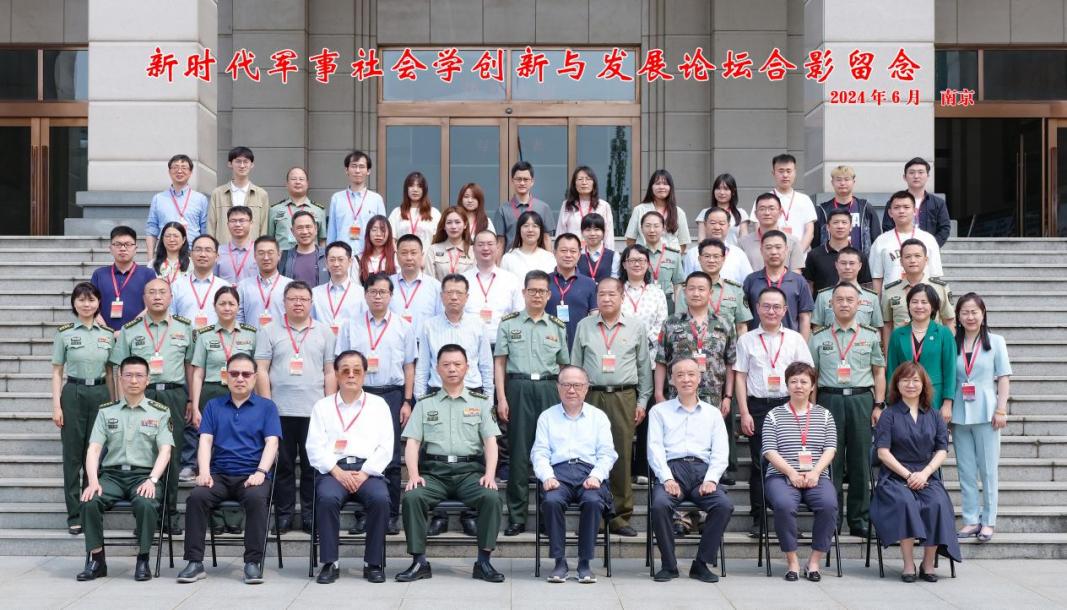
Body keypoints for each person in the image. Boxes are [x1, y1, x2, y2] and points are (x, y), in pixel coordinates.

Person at [397, 344, 505, 583]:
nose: (452, 369)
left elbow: (490, 441)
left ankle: (484, 562)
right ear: (437, 369)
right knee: (413, 497)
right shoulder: (425, 403)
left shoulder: (481, 403)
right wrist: (413, 475)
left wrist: (490, 474)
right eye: (446, 365)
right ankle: (419, 562)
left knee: (491, 497)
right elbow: (413, 442)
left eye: (457, 364)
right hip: (435, 473)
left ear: (467, 367)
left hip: (469, 473)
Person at [176, 353, 281, 585]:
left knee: (256, 499)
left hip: (252, 475)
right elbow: (205, 440)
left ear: (254, 377)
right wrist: (204, 472)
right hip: (219, 475)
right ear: (226, 377)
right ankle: (194, 562)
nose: (240, 378)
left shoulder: (267, 407)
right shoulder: (214, 405)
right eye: (234, 374)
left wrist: (261, 472)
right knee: (196, 497)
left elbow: (272, 442)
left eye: (246, 374)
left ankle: (252, 562)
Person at [76, 356, 173, 582]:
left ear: (148, 380)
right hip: (112, 476)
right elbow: (93, 449)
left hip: (143, 475)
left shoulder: (159, 412)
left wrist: (152, 480)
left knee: (146, 503)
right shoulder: (106, 412)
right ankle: (97, 560)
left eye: (139, 375)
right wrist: (93, 481)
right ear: (120, 379)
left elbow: (165, 451)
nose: (133, 380)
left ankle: (143, 559)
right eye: (128, 375)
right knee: (90, 501)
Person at [335, 273, 417, 535]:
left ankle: (391, 515)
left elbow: (409, 367)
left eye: (383, 292)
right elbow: (340, 364)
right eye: (373, 292)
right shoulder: (350, 326)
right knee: (360, 455)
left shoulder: (403, 326)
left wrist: (407, 400)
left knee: (390, 457)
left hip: (391, 394)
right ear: (366, 295)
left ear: (391, 295)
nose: (378, 296)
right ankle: (364, 514)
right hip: (359, 394)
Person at [109, 278, 193, 533]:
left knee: (172, 456)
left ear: (170, 297)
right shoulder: (130, 330)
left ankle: (169, 514)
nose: (157, 296)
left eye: (162, 292)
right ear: (144, 298)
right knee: (143, 454)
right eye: (152, 292)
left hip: (173, 395)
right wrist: (119, 402)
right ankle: (145, 516)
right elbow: (118, 368)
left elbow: (190, 366)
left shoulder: (184, 327)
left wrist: (191, 399)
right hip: (140, 396)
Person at [571, 277, 652, 537]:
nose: (606, 299)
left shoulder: (635, 327)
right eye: (601, 294)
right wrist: (575, 399)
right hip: (590, 396)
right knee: (590, 454)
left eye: (611, 294)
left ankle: (619, 516)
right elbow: (576, 364)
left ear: (622, 297)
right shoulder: (584, 326)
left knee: (621, 455)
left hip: (623, 396)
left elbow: (644, 367)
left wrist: (642, 401)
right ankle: (594, 514)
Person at [254, 281, 337, 533]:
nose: (298, 303)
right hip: (280, 411)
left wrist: (330, 407)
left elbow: (330, 371)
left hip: (315, 411)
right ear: (284, 302)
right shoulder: (268, 330)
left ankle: (310, 516)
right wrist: (267, 407)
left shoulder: (325, 332)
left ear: (311, 303)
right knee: (283, 466)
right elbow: (261, 370)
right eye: (293, 299)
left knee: (313, 467)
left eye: (303, 299)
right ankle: (284, 516)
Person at [307, 351, 393, 584]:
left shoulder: (379, 405)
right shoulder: (323, 406)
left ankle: (372, 563)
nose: (351, 375)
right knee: (326, 498)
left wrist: (365, 473)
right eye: (345, 370)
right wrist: (337, 472)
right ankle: (330, 563)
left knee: (380, 500)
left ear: (364, 374)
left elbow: (386, 446)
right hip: (334, 471)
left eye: (357, 370)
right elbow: (314, 446)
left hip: (368, 471)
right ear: (336, 374)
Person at [494, 270, 570, 536]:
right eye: (532, 290)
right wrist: (501, 397)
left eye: (542, 291)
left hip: (549, 389)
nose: (537, 295)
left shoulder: (557, 326)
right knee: (518, 452)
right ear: (524, 293)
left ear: (549, 295)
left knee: (550, 451)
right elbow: (500, 363)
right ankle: (517, 516)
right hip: (518, 387)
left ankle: (548, 514)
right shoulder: (508, 323)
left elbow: (564, 366)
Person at [808, 282, 887, 537]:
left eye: (849, 300)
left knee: (860, 460)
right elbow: (813, 376)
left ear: (858, 304)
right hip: (828, 400)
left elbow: (879, 372)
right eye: (839, 299)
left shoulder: (870, 336)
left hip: (860, 399)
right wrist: (812, 409)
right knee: (830, 461)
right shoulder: (818, 337)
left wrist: (878, 404)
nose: (844, 304)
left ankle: (859, 519)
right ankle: (830, 518)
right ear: (830, 304)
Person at [870, 362, 962, 581]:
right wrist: (908, 475)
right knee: (905, 502)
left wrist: (925, 473)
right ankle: (908, 563)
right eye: (905, 380)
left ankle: (928, 564)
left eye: (915, 380)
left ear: (924, 384)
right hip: (895, 476)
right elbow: (882, 453)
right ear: (897, 384)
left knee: (937, 503)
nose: (910, 385)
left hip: (926, 475)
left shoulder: (934, 415)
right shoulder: (888, 415)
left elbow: (942, 450)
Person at [734, 287, 813, 537]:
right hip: (758, 406)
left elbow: (808, 376)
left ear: (785, 310)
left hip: (789, 405)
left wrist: (807, 410)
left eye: (777, 307)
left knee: (789, 461)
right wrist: (744, 412)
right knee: (761, 463)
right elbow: (740, 377)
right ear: (757, 308)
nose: (771, 311)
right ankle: (760, 520)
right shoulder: (746, 340)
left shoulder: (795, 339)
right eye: (766, 306)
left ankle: (787, 520)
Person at [647, 357, 734, 583]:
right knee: (660, 505)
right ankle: (669, 565)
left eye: (691, 374)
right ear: (672, 380)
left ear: (699, 378)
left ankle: (701, 564)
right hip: (672, 470)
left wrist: (712, 479)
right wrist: (666, 478)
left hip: (701, 472)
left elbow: (721, 452)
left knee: (723, 505)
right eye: (680, 375)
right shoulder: (659, 411)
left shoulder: (712, 413)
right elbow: (654, 449)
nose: (686, 379)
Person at [531, 365, 617, 584]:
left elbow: (607, 453)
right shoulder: (547, 417)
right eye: (566, 385)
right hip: (558, 473)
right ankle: (559, 562)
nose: (571, 390)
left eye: (577, 385)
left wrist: (597, 476)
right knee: (551, 501)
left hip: (589, 472)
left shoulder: (598, 417)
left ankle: (584, 563)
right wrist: (547, 476)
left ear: (586, 388)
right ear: (558, 387)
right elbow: (539, 452)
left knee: (593, 502)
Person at [761, 361, 838, 582]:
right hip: (781, 476)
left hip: (816, 475)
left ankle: (814, 562)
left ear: (812, 386)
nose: (798, 386)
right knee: (784, 505)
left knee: (829, 505)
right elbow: (769, 450)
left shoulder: (824, 415)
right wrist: (791, 473)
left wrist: (815, 472)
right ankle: (792, 561)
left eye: (804, 381)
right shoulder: (774, 415)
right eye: (793, 381)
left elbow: (830, 448)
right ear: (787, 385)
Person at [52, 282, 116, 536]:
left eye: (91, 300)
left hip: (100, 393)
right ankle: (74, 514)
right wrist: (56, 405)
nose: (86, 304)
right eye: (81, 300)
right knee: (73, 456)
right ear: (74, 303)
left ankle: (91, 507)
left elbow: (110, 372)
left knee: (96, 452)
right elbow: (57, 372)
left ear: (98, 303)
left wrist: (114, 403)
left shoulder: (107, 334)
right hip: (74, 393)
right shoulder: (65, 333)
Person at [952, 293, 1011, 543]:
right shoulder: (953, 342)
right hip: (959, 413)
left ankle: (988, 521)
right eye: (965, 312)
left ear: (983, 314)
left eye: (974, 312)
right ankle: (970, 519)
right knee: (965, 470)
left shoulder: (996, 341)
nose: (970, 317)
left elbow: (1004, 377)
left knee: (988, 470)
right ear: (958, 316)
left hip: (987, 412)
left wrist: (1001, 409)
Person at [185, 287, 257, 489]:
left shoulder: (251, 334)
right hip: (212, 392)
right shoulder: (204, 335)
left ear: (238, 307)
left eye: (231, 304)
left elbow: (256, 371)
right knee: (208, 440)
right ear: (214, 306)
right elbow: (198, 373)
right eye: (222, 303)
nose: (227, 308)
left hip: (242, 393)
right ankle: (206, 484)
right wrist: (195, 406)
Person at [886, 283, 958, 422]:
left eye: (924, 302)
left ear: (933, 306)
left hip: (935, 398)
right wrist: (890, 402)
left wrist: (947, 403)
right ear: (908, 305)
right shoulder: (898, 334)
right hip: (903, 398)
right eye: (914, 302)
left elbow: (950, 370)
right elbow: (891, 371)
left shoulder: (944, 333)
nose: (919, 306)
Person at [415, 274, 495, 397]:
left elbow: (486, 366)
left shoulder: (478, 325)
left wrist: (488, 398)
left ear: (467, 297)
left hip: (471, 391)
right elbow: (422, 367)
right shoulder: (429, 326)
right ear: (441, 296)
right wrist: (420, 398)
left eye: (459, 293)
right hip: (437, 391)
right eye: (449, 292)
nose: (454, 297)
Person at [880, 238, 955, 345]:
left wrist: (950, 351)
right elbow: (887, 325)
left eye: (917, 256)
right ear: (901, 261)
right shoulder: (890, 291)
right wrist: (888, 353)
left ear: (926, 260)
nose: (912, 260)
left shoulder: (940, 288)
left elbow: (949, 321)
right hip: (901, 348)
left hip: (933, 347)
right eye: (908, 257)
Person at [742, 230, 814, 339]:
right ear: (761, 250)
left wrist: (802, 345)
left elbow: (805, 317)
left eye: (778, 247)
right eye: (768, 247)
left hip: (789, 343)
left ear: (786, 250)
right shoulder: (751, 280)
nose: (774, 252)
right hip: (757, 342)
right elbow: (744, 317)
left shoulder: (799, 281)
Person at [869, 191, 943, 293]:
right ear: (890, 212)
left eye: (906, 207)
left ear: (915, 211)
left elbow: (935, 276)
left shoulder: (928, 239)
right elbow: (877, 277)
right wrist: (877, 302)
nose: (901, 211)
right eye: (897, 207)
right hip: (892, 299)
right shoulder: (880, 241)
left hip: (922, 299)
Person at [676, 238, 753, 335]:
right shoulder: (687, 290)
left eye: (716, 256)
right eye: (707, 256)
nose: (711, 260)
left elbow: (741, 326)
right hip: (694, 341)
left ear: (723, 259)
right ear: (699, 259)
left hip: (728, 343)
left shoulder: (735, 290)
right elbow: (679, 322)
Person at [92, 226, 159, 329]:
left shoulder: (148, 274)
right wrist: (106, 331)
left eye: (128, 244)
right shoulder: (99, 274)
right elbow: (92, 306)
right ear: (110, 249)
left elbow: (152, 306)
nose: (123, 248)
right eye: (118, 244)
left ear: (135, 249)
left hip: (139, 333)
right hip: (104, 335)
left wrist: (129, 330)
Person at [462, 230, 523, 341]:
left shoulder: (511, 280)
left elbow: (519, 313)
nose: (485, 248)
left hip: (502, 343)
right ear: (473, 248)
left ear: (497, 248)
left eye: (490, 244)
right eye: (480, 244)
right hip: (469, 342)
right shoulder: (463, 280)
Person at [146, 154, 209, 255]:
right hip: (165, 253)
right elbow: (151, 229)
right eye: (175, 167)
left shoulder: (201, 199)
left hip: (192, 253)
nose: (179, 171)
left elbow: (204, 230)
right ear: (169, 171)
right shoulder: (158, 198)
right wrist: (150, 257)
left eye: (184, 168)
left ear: (190, 172)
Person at [812, 165, 882, 256]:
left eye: (846, 179)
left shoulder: (865, 207)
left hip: (860, 261)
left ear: (853, 182)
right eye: (838, 180)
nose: (842, 183)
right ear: (832, 182)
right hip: (830, 261)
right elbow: (815, 243)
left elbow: (876, 238)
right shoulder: (823, 210)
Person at [326, 150, 386, 255]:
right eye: (354, 166)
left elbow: (382, 231)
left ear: (368, 171)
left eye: (362, 167)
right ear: (346, 170)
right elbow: (332, 231)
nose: (357, 170)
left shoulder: (376, 199)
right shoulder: (337, 198)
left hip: (368, 255)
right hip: (342, 257)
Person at [882, 157, 952, 247]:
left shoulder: (938, 203)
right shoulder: (894, 202)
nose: (916, 176)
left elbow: (944, 229)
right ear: (904, 177)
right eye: (912, 172)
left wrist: (930, 247)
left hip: (928, 251)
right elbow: (887, 227)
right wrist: (902, 248)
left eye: (920, 172)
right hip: (899, 250)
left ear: (927, 176)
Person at [804, 207, 874, 294]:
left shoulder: (859, 256)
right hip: (821, 302)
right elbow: (808, 285)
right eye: (835, 222)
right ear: (828, 227)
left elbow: (866, 286)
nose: (840, 226)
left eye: (844, 222)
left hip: (852, 302)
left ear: (851, 227)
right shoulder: (814, 255)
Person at [208, 146, 270, 242]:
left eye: (246, 162)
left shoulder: (261, 194)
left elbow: (264, 227)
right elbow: (211, 226)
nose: (242, 165)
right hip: (224, 247)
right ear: (230, 164)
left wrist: (261, 247)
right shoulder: (218, 193)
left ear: (252, 164)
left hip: (252, 248)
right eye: (238, 161)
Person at [547, 233, 598, 351]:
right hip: (548, 346)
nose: (568, 255)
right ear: (554, 253)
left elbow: (595, 318)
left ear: (579, 254)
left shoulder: (589, 284)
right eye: (563, 250)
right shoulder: (544, 281)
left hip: (579, 346)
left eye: (573, 251)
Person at [810, 246, 882, 328]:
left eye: (852, 263)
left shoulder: (872, 297)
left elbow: (877, 330)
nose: (847, 267)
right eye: (843, 263)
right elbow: (817, 329)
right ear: (836, 265)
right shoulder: (823, 296)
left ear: (860, 266)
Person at [170, 234, 230, 330]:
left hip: (216, 338)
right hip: (184, 338)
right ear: (191, 254)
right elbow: (170, 317)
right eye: (198, 250)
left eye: (208, 250)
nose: (203, 254)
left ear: (217, 256)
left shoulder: (225, 287)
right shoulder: (177, 285)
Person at [619, 244, 669, 359]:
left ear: (647, 264)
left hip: (650, 353)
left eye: (641, 260)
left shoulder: (657, 293)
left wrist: (644, 343)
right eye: (632, 260)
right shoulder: (616, 291)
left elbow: (661, 324)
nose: (637, 264)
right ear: (624, 265)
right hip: (621, 351)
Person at [737, 193, 806, 274]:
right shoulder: (743, 243)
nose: (767, 213)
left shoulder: (793, 241)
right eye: (762, 209)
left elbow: (796, 274)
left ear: (780, 213)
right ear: (755, 214)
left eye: (771, 208)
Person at [625, 169, 691, 253]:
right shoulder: (639, 210)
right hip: (645, 257)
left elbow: (683, 243)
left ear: (670, 187)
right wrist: (638, 256)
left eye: (665, 184)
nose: (661, 187)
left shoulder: (679, 212)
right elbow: (630, 239)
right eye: (657, 183)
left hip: (670, 259)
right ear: (651, 187)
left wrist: (672, 258)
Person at [683, 207, 753, 283]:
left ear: (728, 226)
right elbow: (686, 284)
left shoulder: (739, 254)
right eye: (713, 223)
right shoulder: (692, 254)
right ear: (705, 225)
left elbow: (749, 283)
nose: (717, 227)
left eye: (721, 224)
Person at [389, 235, 443, 332]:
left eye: (413, 253)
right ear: (396, 256)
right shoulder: (387, 284)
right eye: (404, 253)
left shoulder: (435, 286)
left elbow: (440, 319)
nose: (409, 258)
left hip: (423, 340)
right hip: (393, 339)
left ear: (422, 255)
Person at [311, 241, 366, 336]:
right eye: (332, 260)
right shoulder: (315, 293)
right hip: (322, 342)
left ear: (350, 262)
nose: (336, 264)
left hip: (350, 342)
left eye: (341, 259)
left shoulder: (361, 293)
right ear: (326, 263)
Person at [497, 161, 553, 250]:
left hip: (537, 257)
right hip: (512, 257)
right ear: (512, 181)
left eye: (526, 179)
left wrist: (550, 258)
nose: (522, 183)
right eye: (518, 179)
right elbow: (500, 242)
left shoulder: (543, 208)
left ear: (532, 181)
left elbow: (546, 239)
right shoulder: (502, 210)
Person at [237, 236, 292, 326]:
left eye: (270, 253)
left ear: (279, 255)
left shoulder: (290, 286)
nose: (266, 258)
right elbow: (238, 318)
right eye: (261, 253)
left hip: (281, 335)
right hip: (251, 335)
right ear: (255, 256)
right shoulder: (243, 286)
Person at [267, 167, 326, 251]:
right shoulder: (275, 210)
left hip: (310, 256)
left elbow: (322, 240)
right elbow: (269, 239)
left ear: (307, 184)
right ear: (287, 184)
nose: (297, 182)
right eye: (293, 179)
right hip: (283, 256)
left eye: (301, 179)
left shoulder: (319, 210)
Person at [638, 211, 685, 315]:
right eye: (647, 226)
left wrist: (678, 311)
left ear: (663, 228)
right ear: (641, 228)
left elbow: (678, 284)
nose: (652, 230)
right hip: (642, 302)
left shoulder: (673, 255)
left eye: (656, 226)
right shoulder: (636, 254)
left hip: (667, 302)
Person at [767, 153, 817, 251]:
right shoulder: (764, 200)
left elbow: (809, 232)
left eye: (789, 171)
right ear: (773, 173)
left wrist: (797, 254)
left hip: (801, 256)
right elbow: (759, 229)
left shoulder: (805, 199)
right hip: (773, 256)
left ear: (795, 173)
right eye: (781, 171)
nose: (785, 175)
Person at [556, 165, 615, 241]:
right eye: (580, 179)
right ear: (574, 184)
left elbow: (608, 235)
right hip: (572, 248)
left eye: (588, 179)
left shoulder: (603, 206)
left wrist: (608, 249)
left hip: (596, 248)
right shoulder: (567, 205)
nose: (584, 183)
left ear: (594, 183)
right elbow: (560, 232)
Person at [389, 171, 441, 250]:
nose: (415, 190)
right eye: (411, 186)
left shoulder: (434, 213)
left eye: (419, 186)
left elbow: (438, 240)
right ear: (406, 189)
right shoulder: (396, 212)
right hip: (402, 257)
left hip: (427, 257)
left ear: (424, 190)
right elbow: (391, 239)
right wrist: (397, 255)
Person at [696, 173, 749, 245]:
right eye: (718, 188)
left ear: (733, 192)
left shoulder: (741, 213)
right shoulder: (704, 212)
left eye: (726, 189)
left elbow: (744, 241)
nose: (721, 192)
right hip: (710, 251)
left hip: (734, 252)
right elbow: (701, 240)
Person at [278, 211, 328, 287]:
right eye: (300, 228)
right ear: (292, 231)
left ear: (316, 229)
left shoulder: (327, 256)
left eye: (308, 227)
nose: (305, 232)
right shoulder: (284, 257)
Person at [501, 210, 556, 277]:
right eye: (526, 226)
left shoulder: (549, 258)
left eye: (535, 226)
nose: (530, 230)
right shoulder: (508, 258)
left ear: (540, 231)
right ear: (519, 230)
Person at [428, 206, 475, 280]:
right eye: (449, 222)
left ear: (465, 225)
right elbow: (429, 280)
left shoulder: (474, 250)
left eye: (457, 222)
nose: (453, 226)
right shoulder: (433, 250)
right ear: (444, 226)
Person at [216, 206, 259, 285]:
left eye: (242, 220)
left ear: (251, 223)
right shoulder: (218, 252)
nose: (237, 224)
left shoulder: (259, 251)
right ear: (228, 224)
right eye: (233, 221)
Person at [578, 212, 619, 282]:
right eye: (588, 230)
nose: (592, 233)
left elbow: (615, 281)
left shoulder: (614, 256)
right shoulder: (577, 255)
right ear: (582, 232)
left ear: (603, 232)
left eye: (596, 229)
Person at [358, 214, 398, 282]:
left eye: (383, 230)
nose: (378, 234)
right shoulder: (358, 259)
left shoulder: (395, 257)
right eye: (374, 230)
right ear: (368, 233)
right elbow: (355, 285)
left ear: (389, 233)